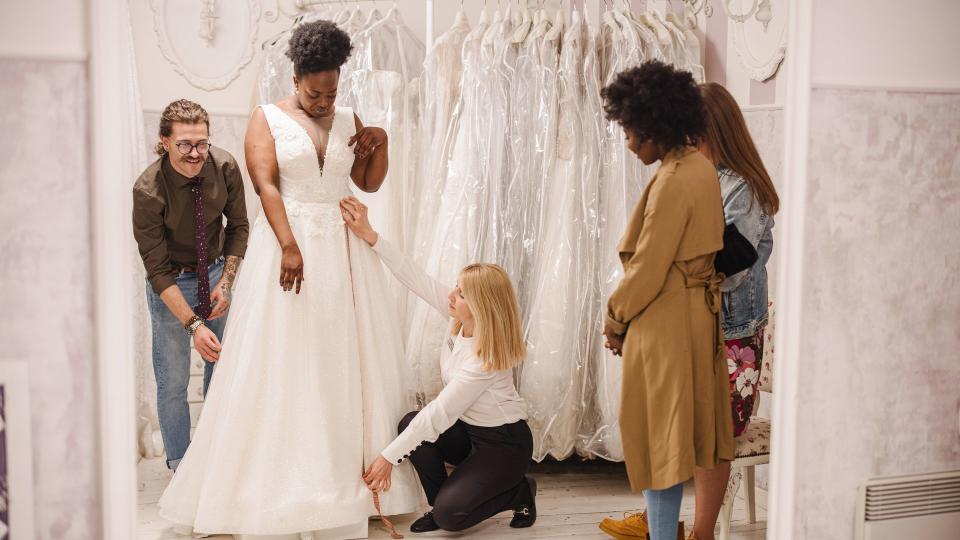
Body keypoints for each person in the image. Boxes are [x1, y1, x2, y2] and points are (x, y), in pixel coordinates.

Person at [158, 20, 418, 537]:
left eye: (333, 92)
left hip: (343, 249)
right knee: (285, 359)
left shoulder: (348, 116)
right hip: (291, 242)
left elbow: (366, 182)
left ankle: (349, 475)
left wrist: (380, 141)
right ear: (296, 78)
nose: (325, 102)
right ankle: (278, 482)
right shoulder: (266, 117)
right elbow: (266, 185)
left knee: (342, 355)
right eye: (316, 92)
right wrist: (289, 245)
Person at [340, 197, 538, 534]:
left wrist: (388, 458)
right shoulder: (462, 320)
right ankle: (441, 504)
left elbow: (440, 412)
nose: (451, 295)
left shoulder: (483, 360)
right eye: (457, 288)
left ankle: (520, 490)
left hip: (505, 444)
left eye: (460, 294)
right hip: (470, 433)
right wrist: (371, 236)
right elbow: (414, 276)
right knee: (409, 423)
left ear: (480, 307)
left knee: (452, 518)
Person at [596, 61, 735, 540]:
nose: (630, 143)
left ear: (657, 127)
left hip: (666, 320)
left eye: (634, 133)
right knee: (674, 437)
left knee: (659, 440)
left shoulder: (675, 180)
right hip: (694, 317)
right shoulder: (700, 168)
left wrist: (615, 319)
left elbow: (649, 266)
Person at [132, 98, 248, 471]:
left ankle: (216, 459)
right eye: (184, 144)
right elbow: (156, 269)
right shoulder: (147, 191)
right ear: (165, 141)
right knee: (172, 381)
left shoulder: (226, 166)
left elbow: (240, 227)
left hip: (215, 272)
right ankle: (181, 467)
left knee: (224, 367)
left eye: (202, 143)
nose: (195, 153)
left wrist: (226, 282)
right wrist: (193, 324)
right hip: (171, 282)